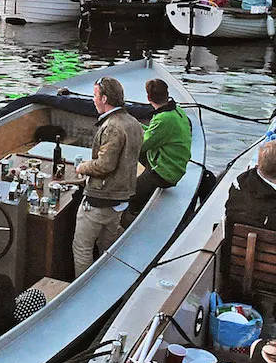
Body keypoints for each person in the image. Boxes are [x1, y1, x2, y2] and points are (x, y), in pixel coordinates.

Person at [70, 76, 144, 278]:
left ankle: (80, 291)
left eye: (94, 95)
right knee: (107, 247)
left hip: (100, 199)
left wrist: (83, 167)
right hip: (120, 199)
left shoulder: (112, 126)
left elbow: (105, 165)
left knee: (82, 248)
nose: (93, 100)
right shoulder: (135, 124)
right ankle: (105, 282)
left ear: (104, 98)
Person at [127, 78, 192, 214]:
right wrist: (137, 125)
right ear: (167, 94)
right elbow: (155, 133)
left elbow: (141, 146)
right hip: (176, 165)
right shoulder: (177, 110)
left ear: (148, 98)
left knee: (130, 195)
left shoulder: (163, 119)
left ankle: (133, 215)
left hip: (164, 173)